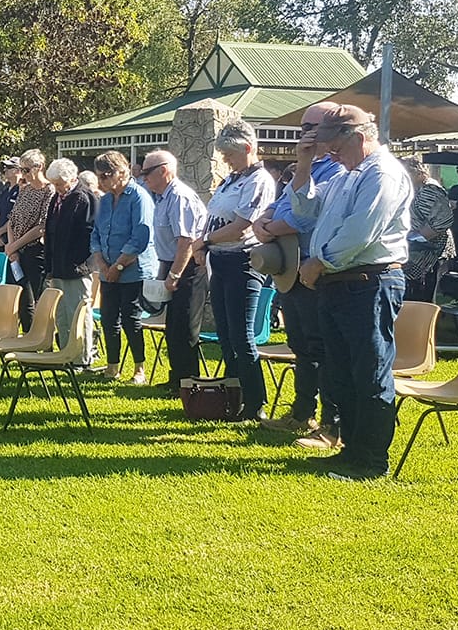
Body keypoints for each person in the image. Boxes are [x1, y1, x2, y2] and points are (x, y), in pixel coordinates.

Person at [292, 104, 412, 481]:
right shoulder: (348, 174)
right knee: (341, 373)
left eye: (335, 146)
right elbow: (306, 208)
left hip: (369, 283)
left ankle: (371, 462)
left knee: (370, 372)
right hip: (342, 285)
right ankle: (350, 451)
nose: (331, 153)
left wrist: (318, 263)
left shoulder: (383, 174)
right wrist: (303, 163)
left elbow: (362, 232)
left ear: (358, 138)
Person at [248, 103, 344, 441]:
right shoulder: (307, 167)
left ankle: (331, 420)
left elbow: (306, 217)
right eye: (303, 127)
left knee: (322, 346)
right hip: (290, 268)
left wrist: (271, 228)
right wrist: (264, 219)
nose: (306, 133)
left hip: (315, 267)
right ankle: (303, 414)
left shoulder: (337, 169)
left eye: (312, 126)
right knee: (300, 344)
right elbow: (283, 202)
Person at [191, 120, 276, 420]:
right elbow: (214, 216)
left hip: (243, 262)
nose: (225, 160)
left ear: (248, 148)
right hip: (220, 260)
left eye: (229, 153)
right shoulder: (231, 179)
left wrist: (206, 240)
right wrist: (204, 246)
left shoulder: (259, 180)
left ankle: (256, 403)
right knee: (225, 334)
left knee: (241, 336)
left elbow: (241, 227)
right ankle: (233, 396)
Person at [139, 149, 208, 392]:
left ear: (163, 170)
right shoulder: (164, 198)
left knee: (186, 326)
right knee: (174, 327)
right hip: (171, 264)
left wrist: (175, 274)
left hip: (188, 267)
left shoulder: (180, 196)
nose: (144, 177)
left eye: (147, 172)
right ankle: (177, 378)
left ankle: (190, 382)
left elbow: (185, 241)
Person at [89, 150, 158, 384]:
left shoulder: (139, 197)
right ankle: (112, 366)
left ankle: (139, 369)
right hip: (107, 269)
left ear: (122, 171)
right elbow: (96, 233)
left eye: (106, 176)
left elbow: (140, 236)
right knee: (109, 319)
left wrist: (117, 267)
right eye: (99, 176)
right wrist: (101, 262)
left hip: (132, 270)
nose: (102, 181)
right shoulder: (105, 200)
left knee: (131, 319)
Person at [44, 158, 97, 372]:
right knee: (62, 315)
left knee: (78, 313)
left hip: (76, 268)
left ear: (70, 179)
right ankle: (65, 354)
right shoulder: (58, 198)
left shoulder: (83, 198)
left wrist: (77, 261)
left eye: (58, 183)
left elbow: (88, 234)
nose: (56, 188)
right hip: (58, 267)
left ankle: (82, 358)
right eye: (54, 184)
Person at [6, 150, 55, 331]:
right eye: (22, 170)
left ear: (39, 167)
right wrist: (12, 249)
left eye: (27, 170)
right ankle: (21, 339)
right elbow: (12, 220)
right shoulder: (24, 190)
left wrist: (15, 247)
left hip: (34, 252)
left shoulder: (49, 191)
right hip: (15, 252)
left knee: (30, 300)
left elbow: (41, 227)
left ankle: (34, 341)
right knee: (16, 299)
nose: (24, 174)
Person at [402, 157, 455, 302]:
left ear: (419, 172)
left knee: (426, 295)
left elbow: (442, 221)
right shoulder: (415, 188)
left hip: (431, 252)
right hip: (417, 250)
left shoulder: (430, 189)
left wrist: (416, 238)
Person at [0, 158, 22, 248]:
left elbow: (16, 216)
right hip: (0, 237)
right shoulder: (5, 189)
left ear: (17, 170)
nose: (5, 170)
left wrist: (0, 232)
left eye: (9, 167)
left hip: (13, 238)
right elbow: (0, 212)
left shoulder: (21, 190)